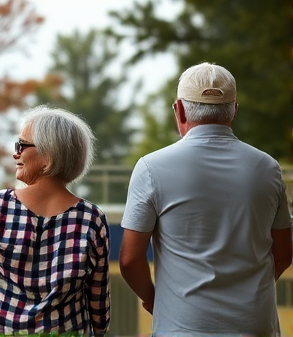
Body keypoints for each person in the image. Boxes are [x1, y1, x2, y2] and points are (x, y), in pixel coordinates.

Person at [119, 62, 292, 337]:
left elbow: (129, 259)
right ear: (234, 110)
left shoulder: (151, 168)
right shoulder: (267, 168)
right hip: (256, 326)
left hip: (181, 328)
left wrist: (155, 299)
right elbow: (283, 253)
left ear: (180, 109)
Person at [0, 105, 110, 336]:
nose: (15, 153)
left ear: (48, 157)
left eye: (21, 145)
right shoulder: (92, 219)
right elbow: (98, 305)